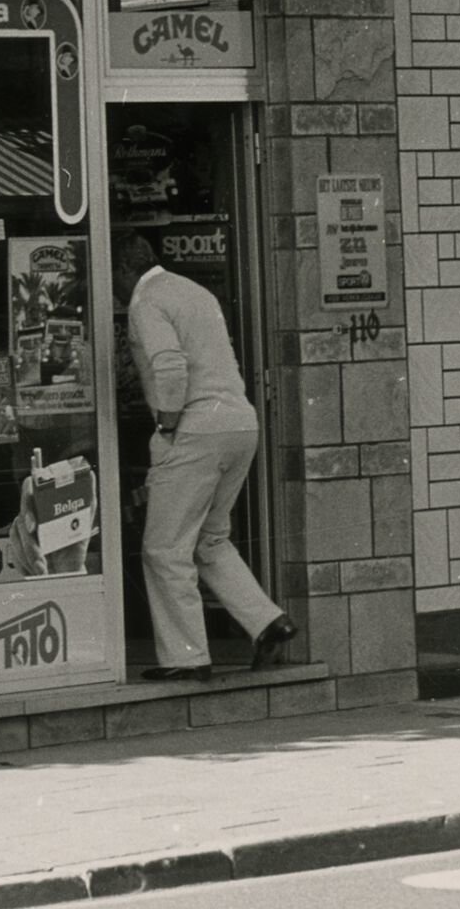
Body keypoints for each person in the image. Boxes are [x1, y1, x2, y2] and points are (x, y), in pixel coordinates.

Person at [113, 231, 296, 681]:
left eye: (110, 277)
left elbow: (169, 364)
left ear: (122, 269)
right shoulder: (191, 291)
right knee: (209, 539)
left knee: (164, 548)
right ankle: (268, 621)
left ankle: (186, 657)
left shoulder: (145, 301)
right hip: (238, 421)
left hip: (195, 428)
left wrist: (168, 424)